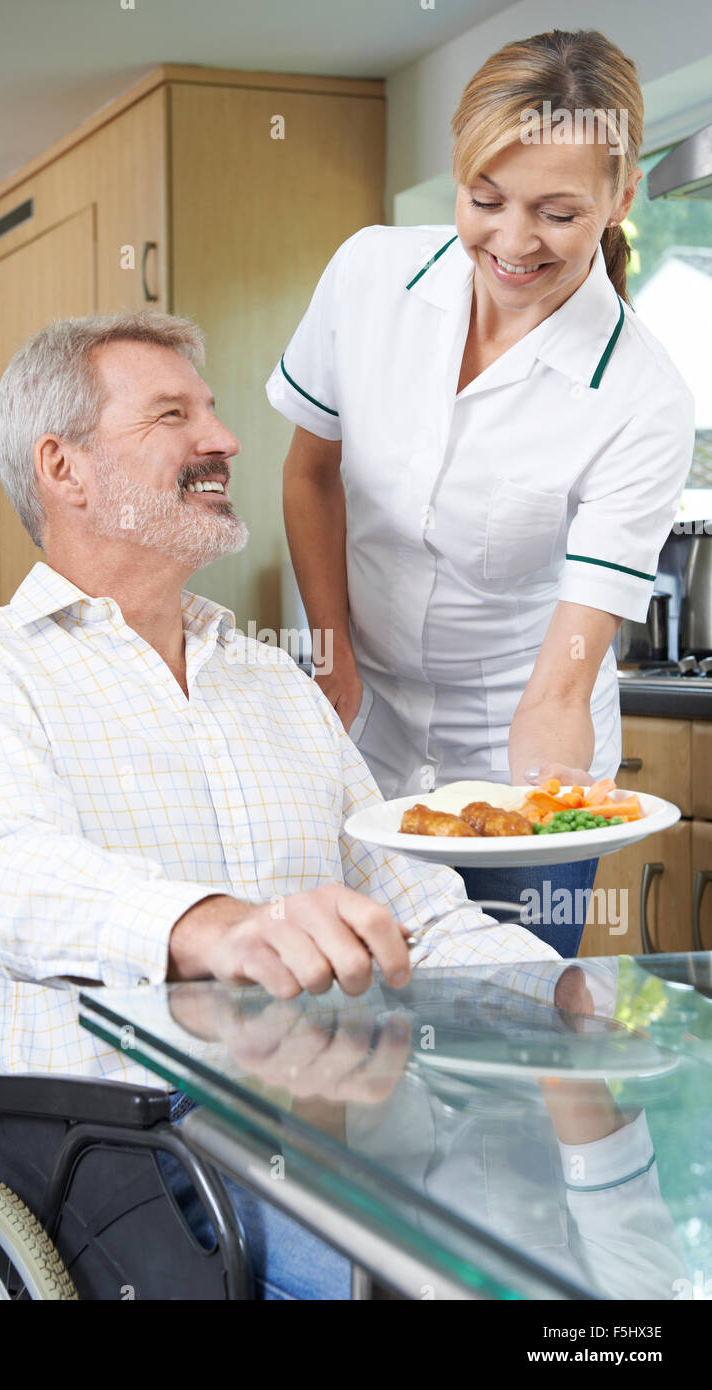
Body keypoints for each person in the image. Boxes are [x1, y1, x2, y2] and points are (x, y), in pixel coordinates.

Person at [0, 309, 569, 1301]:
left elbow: (416, 908)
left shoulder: (277, 680)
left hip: (350, 1109)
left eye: (212, 410)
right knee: (436, 1273)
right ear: (64, 468)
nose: (224, 439)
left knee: (582, 1218)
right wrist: (217, 928)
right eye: (174, 414)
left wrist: (572, 999)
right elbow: (7, 873)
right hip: (134, 1141)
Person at [267, 28, 695, 958]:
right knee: (356, 1026)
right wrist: (329, 654)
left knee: (512, 1038)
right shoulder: (370, 275)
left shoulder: (639, 398)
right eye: (485, 200)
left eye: (557, 212)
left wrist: (534, 807)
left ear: (621, 199)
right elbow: (310, 474)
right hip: (360, 728)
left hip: (517, 735)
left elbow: (560, 680)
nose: (511, 243)